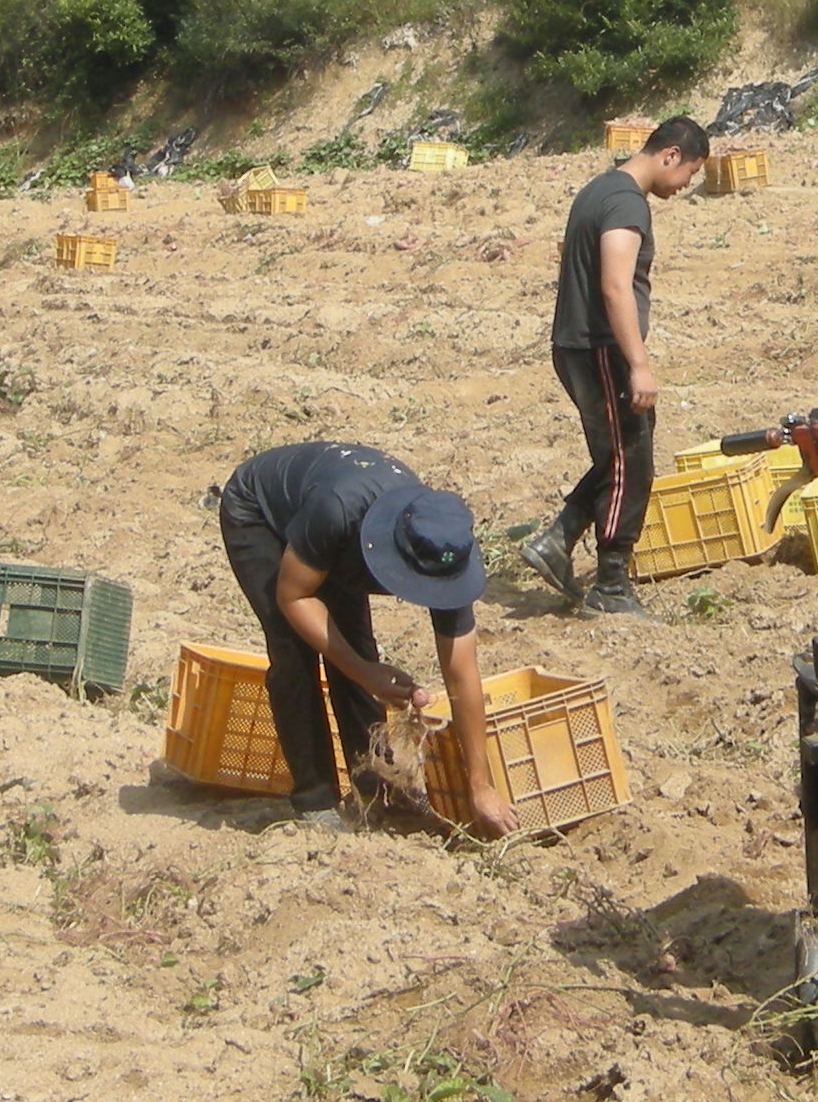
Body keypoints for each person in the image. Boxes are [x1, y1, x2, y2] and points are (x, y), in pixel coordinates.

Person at [217, 440, 517, 836]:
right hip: (262, 513)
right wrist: (363, 673)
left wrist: (481, 786)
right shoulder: (339, 512)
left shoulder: (446, 546)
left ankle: (375, 790)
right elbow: (294, 596)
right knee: (294, 650)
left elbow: (462, 674)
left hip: (334, 530)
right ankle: (315, 798)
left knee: (356, 646)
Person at [520, 116, 711, 617]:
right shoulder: (627, 203)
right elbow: (614, 284)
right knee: (633, 462)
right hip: (601, 348)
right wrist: (638, 363)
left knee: (619, 456)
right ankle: (610, 584)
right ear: (670, 155)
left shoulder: (598, 189)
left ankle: (556, 542)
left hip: (576, 345)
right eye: (689, 171)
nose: (687, 184)